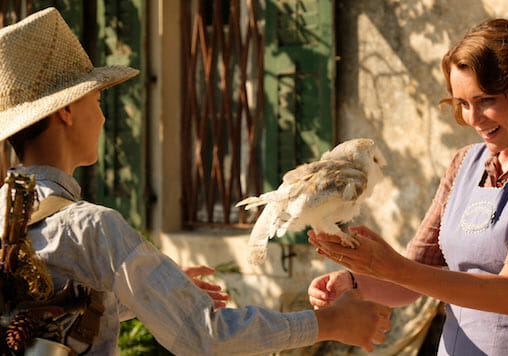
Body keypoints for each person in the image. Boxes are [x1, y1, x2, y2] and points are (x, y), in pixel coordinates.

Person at [0, 7, 391, 355]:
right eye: (98, 100)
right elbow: (206, 336)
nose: (103, 117)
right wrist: (330, 323)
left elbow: (43, 306)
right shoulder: (94, 228)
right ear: (67, 110)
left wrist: (154, 294)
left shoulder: (6, 211)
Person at [308, 18, 508, 355]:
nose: (472, 118)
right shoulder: (464, 163)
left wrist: (392, 265)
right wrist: (356, 279)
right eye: (463, 104)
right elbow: (411, 283)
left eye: (486, 100)